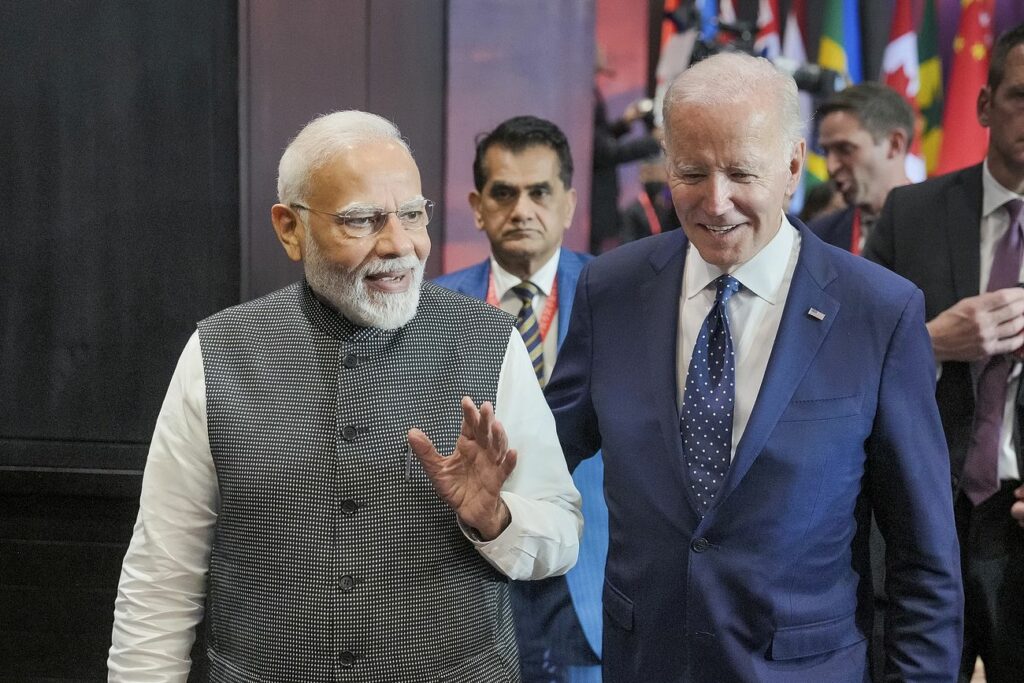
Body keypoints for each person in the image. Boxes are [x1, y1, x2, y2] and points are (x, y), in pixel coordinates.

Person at [107, 110, 583, 682]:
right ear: (290, 228)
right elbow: (162, 575)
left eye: (412, 214)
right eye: (362, 220)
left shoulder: (489, 341)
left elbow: (561, 532)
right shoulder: (218, 353)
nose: (399, 245)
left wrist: (498, 519)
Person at [545, 51, 963, 681]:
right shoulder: (612, 289)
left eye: (742, 171)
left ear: (794, 165)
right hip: (647, 662)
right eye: (691, 172)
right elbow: (551, 451)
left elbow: (923, 557)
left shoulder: (879, 311)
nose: (716, 203)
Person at [864, 23, 1024, 683]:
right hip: (923, 515)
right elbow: (839, 354)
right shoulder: (912, 212)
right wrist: (927, 342)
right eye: (1021, 97)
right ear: (985, 106)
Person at [435, 115, 602, 682]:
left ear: (569, 204)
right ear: (478, 206)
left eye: (540, 192)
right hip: (472, 576)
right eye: (504, 193)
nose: (522, 209)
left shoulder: (621, 297)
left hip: (590, 583)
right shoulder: (431, 309)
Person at [810, 82, 914, 254]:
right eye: (826, 151)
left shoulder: (943, 227)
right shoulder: (817, 238)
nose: (830, 166)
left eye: (845, 149)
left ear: (895, 144)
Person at [618, 154, 681, 244]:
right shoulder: (632, 211)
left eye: (656, 173)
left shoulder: (671, 208)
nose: (653, 178)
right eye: (649, 173)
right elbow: (627, 242)